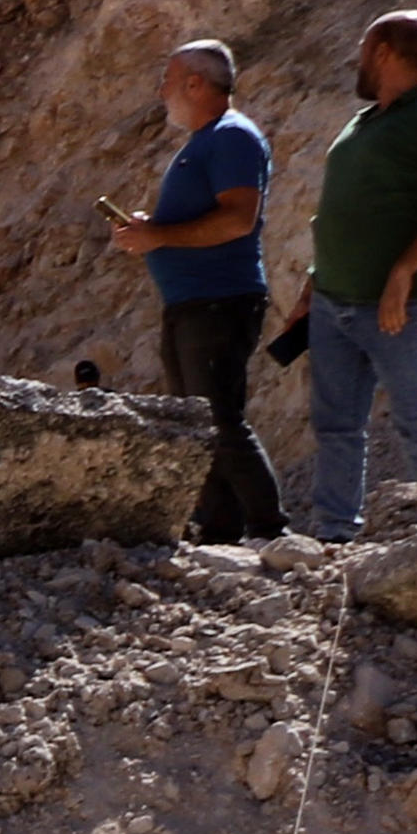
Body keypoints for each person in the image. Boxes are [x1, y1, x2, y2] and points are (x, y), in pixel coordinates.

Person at [113, 38, 285, 540]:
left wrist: (159, 236)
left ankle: (271, 528)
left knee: (217, 417)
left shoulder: (232, 137)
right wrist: (152, 230)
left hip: (219, 300)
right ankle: (218, 527)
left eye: (167, 81)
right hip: (192, 302)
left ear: (195, 83)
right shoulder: (206, 141)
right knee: (195, 421)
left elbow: (237, 219)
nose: (160, 91)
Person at [302, 9, 417, 542]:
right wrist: (312, 281)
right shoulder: (368, 119)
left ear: (383, 52)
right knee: (335, 426)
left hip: (402, 308)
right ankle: (334, 533)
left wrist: (404, 269)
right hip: (332, 301)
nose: (357, 61)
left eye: (362, 50)